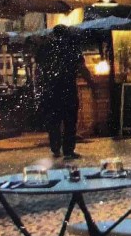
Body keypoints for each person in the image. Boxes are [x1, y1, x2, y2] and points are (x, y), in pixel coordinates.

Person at [35, 25, 92, 160]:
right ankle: (68, 150)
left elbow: (38, 70)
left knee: (53, 121)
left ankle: (55, 148)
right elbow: (81, 67)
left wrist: (39, 85)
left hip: (51, 90)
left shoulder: (45, 48)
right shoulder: (72, 48)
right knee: (70, 121)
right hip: (68, 89)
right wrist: (90, 81)